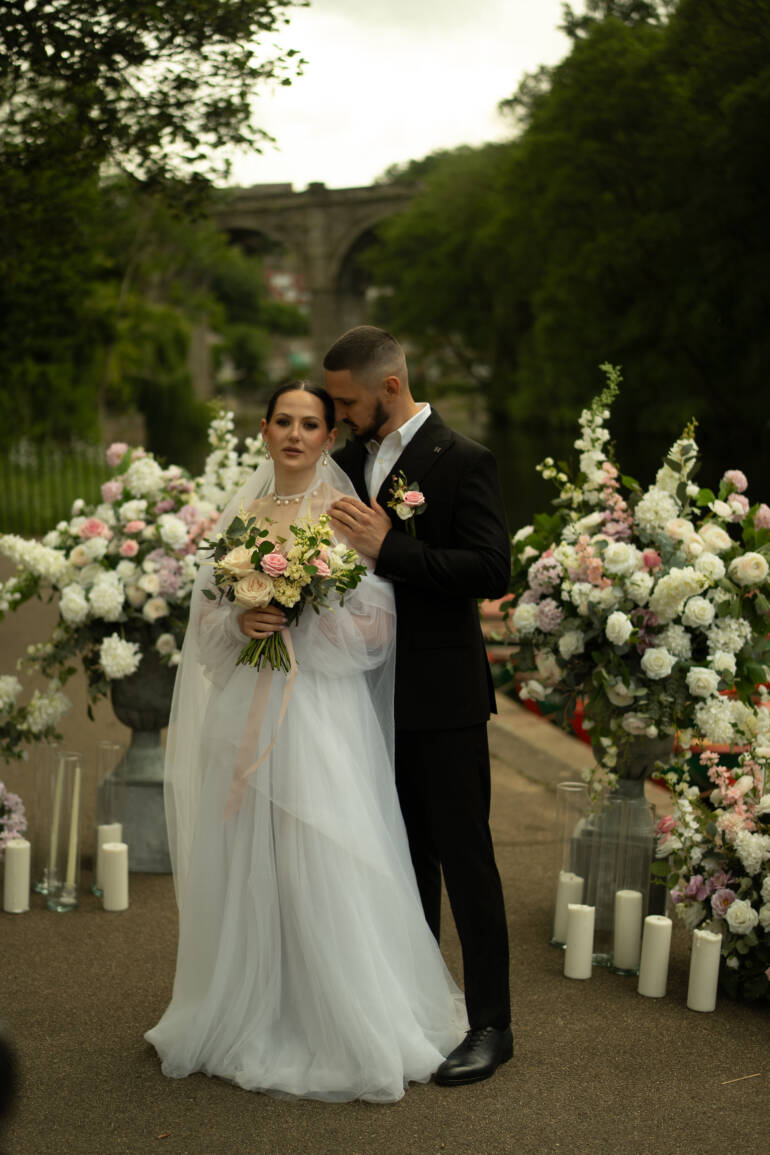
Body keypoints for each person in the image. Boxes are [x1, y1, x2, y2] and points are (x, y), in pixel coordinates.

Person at [145, 382, 466, 1103]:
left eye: (311, 423)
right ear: (264, 430)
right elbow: (206, 626)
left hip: (321, 711)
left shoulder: (344, 516)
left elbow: (379, 630)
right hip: (248, 705)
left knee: (320, 847)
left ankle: (337, 1015)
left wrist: (309, 612)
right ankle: (255, 1006)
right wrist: (244, 622)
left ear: (328, 437)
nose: (295, 434)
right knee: (251, 851)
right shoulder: (244, 518)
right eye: (284, 421)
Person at [323, 326, 512, 1086]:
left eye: (346, 401)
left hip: (443, 695)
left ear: (391, 388)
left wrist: (391, 548)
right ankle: (419, 1011)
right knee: (399, 863)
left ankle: (492, 1024)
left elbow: (491, 568)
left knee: (465, 860)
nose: (338, 415)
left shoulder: (463, 459)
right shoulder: (344, 464)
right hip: (362, 696)